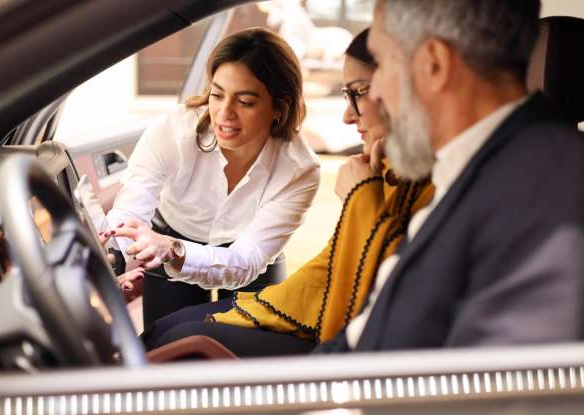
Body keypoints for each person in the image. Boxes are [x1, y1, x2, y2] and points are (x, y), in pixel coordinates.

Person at [141, 29, 435, 357]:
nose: (347, 115)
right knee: (162, 330)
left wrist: (361, 195)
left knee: (179, 344)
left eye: (360, 92)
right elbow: (336, 267)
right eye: (216, 95)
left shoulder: (327, 172)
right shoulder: (393, 171)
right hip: (312, 307)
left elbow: (377, 288)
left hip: (339, 335)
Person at [315, 0, 584, 353]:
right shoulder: (476, 170)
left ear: (433, 64)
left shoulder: (544, 192)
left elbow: (501, 396)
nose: (376, 93)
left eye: (382, 66)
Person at [105, 27, 321, 328]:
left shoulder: (299, 170)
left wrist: (172, 250)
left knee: (251, 357)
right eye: (217, 95)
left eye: (244, 102)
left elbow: (246, 262)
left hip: (248, 257)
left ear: (279, 107)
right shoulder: (173, 130)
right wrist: (124, 258)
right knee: (167, 348)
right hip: (169, 237)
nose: (224, 114)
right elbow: (131, 209)